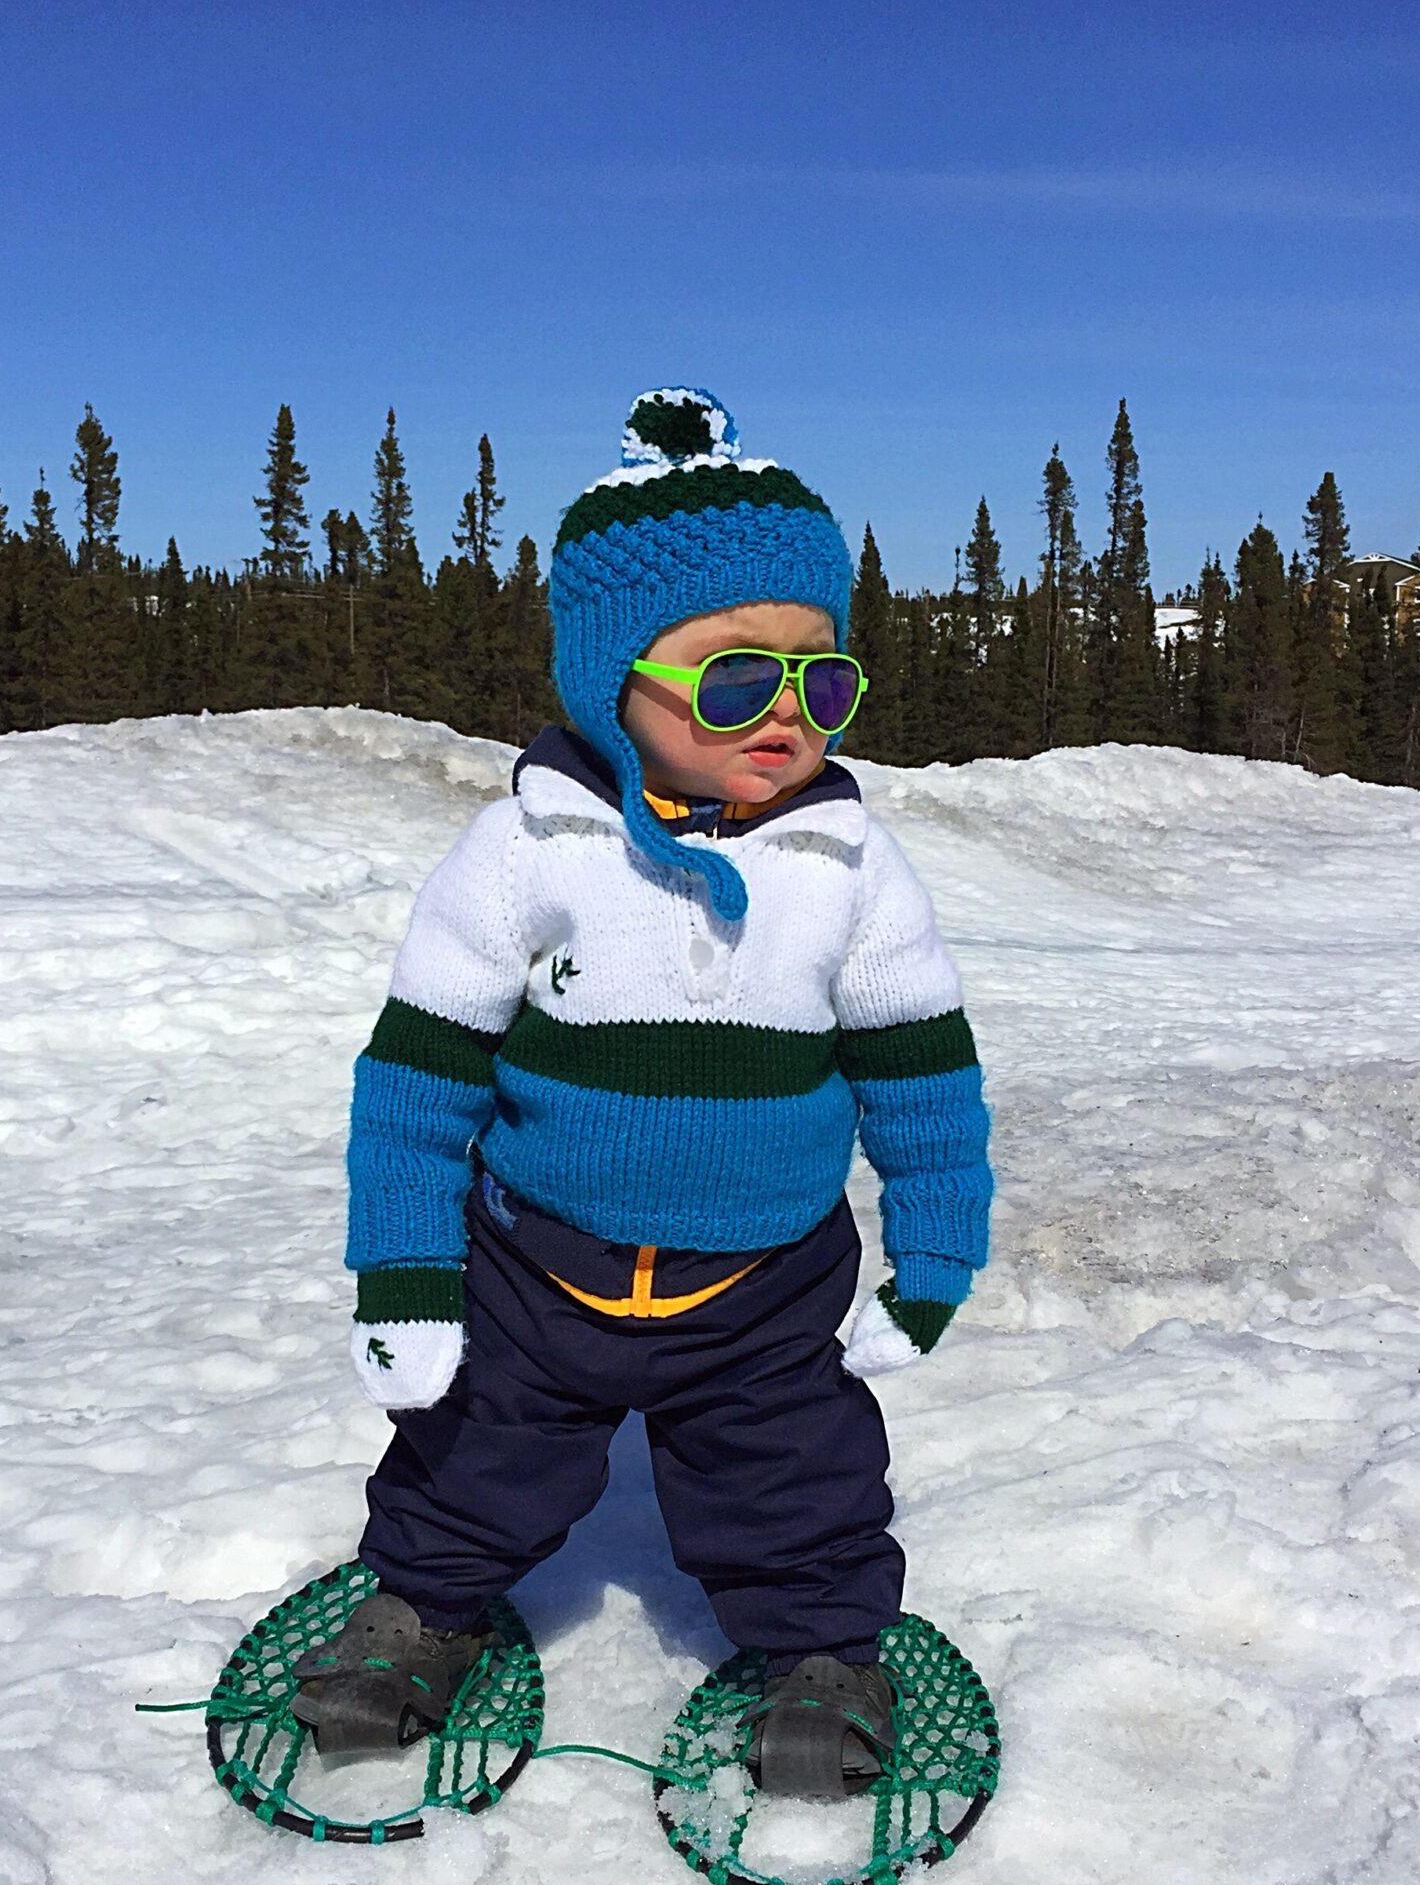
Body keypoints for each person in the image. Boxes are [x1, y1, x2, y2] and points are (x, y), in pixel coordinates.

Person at [312, 389, 992, 1797]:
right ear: (609, 683)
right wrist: (403, 1278)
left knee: (795, 1476)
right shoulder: (527, 853)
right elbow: (418, 1081)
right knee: (469, 1452)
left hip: (763, 1284)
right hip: (532, 1264)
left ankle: (821, 1650)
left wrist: (937, 1245)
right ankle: (424, 1605)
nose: (785, 717)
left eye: (821, 680)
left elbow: (921, 1079)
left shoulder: (850, 871)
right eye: (738, 681)